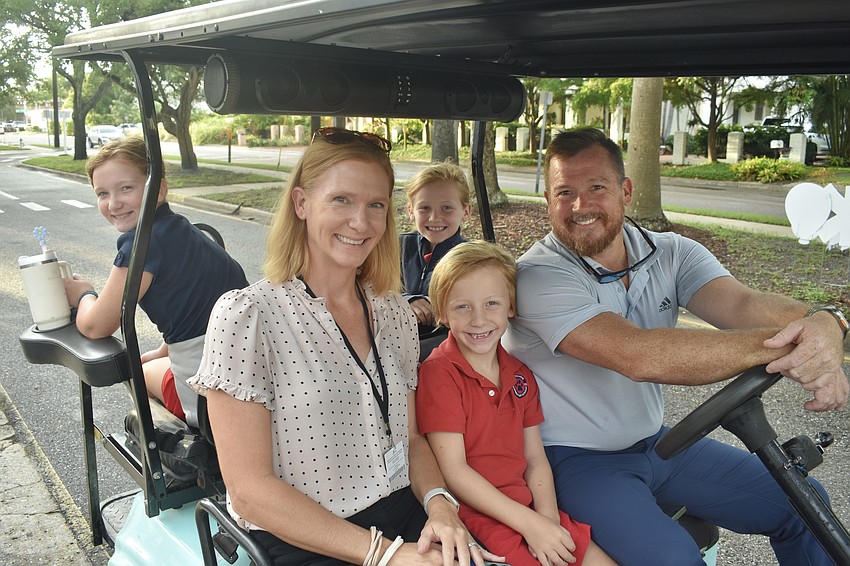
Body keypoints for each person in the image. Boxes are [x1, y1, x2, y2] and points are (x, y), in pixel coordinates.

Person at [502, 127, 849, 566]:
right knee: (673, 558)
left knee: (804, 503)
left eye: (596, 188)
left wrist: (824, 322)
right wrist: (791, 345)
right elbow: (639, 355)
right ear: (548, 200)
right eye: (564, 192)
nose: (579, 205)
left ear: (626, 191)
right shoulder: (538, 275)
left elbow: (744, 304)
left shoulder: (671, 252)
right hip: (571, 462)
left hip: (658, 446)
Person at [188, 127, 503, 566]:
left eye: (376, 205)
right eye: (342, 200)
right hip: (307, 536)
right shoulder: (249, 315)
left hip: (404, 511)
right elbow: (250, 492)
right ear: (301, 203)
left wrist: (439, 505)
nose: (362, 222)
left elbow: (411, 440)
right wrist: (389, 556)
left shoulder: (394, 314)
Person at [417, 241, 615, 566]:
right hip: (479, 516)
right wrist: (530, 524)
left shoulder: (520, 375)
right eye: (462, 307)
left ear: (511, 305)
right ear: (442, 313)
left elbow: (535, 458)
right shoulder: (440, 373)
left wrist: (547, 518)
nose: (479, 320)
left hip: (528, 509)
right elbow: (455, 470)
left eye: (491, 303)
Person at [62, 136, 248, 427]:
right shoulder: (183, 232)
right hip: (246, 377)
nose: (113, 203)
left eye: (126, 188)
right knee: (152, 361)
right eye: (102, 193)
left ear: (158, 189)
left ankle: (183, 452)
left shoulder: (142, 244)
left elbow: (96, 325)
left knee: (138, 373)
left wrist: (84, 294)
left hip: (209, 398)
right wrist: (164, 350)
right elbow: (197, 311)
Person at [401, 162, 472, 330]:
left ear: (466, 211)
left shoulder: (472, 260)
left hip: (440, 344)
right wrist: (406, 300)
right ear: (411, 211)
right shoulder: (397, 248)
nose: (434, 218)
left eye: (447, 208)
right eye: (424, 208)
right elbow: (371, 288)